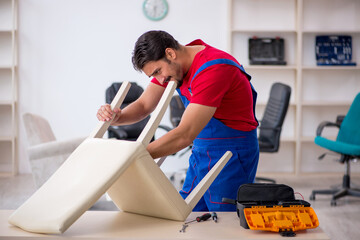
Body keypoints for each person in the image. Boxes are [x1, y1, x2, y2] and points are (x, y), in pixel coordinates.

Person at [96, 30, 259, 212]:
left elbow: (185, 134)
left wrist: (132, 158)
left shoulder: (213, 69)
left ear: (170, 53)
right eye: (153, 76)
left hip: (231, 154)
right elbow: (144, 106)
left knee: (223, 221)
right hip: (201, 151)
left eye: (158, 71)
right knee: (186, 214)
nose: (160, 80)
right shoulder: (172, 68)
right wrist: (117, 118)